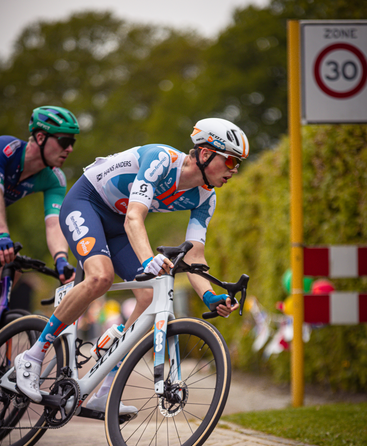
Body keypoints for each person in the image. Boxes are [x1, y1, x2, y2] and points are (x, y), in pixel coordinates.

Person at [15, 117, 249, 414]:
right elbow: (134, 218)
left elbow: (195, 255)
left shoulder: (206, 197)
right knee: (100, 277)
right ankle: (33, 356)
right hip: (87, 203)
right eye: (230, 161)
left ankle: (104, 388)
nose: (234, 170)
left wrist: (210, 296)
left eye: (237, 164)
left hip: (115, 227)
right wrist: (148, 260)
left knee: (148, 296)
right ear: (205, 154)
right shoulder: (162, 159)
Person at [0, 105, 79, 332]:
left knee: (12, 264)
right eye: (65, 140)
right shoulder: (5, 148)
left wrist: (60, 259)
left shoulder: (54, 179)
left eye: (72, 142)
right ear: (40, 137)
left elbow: (54, 222)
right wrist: (1, 235)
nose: (70, 149)